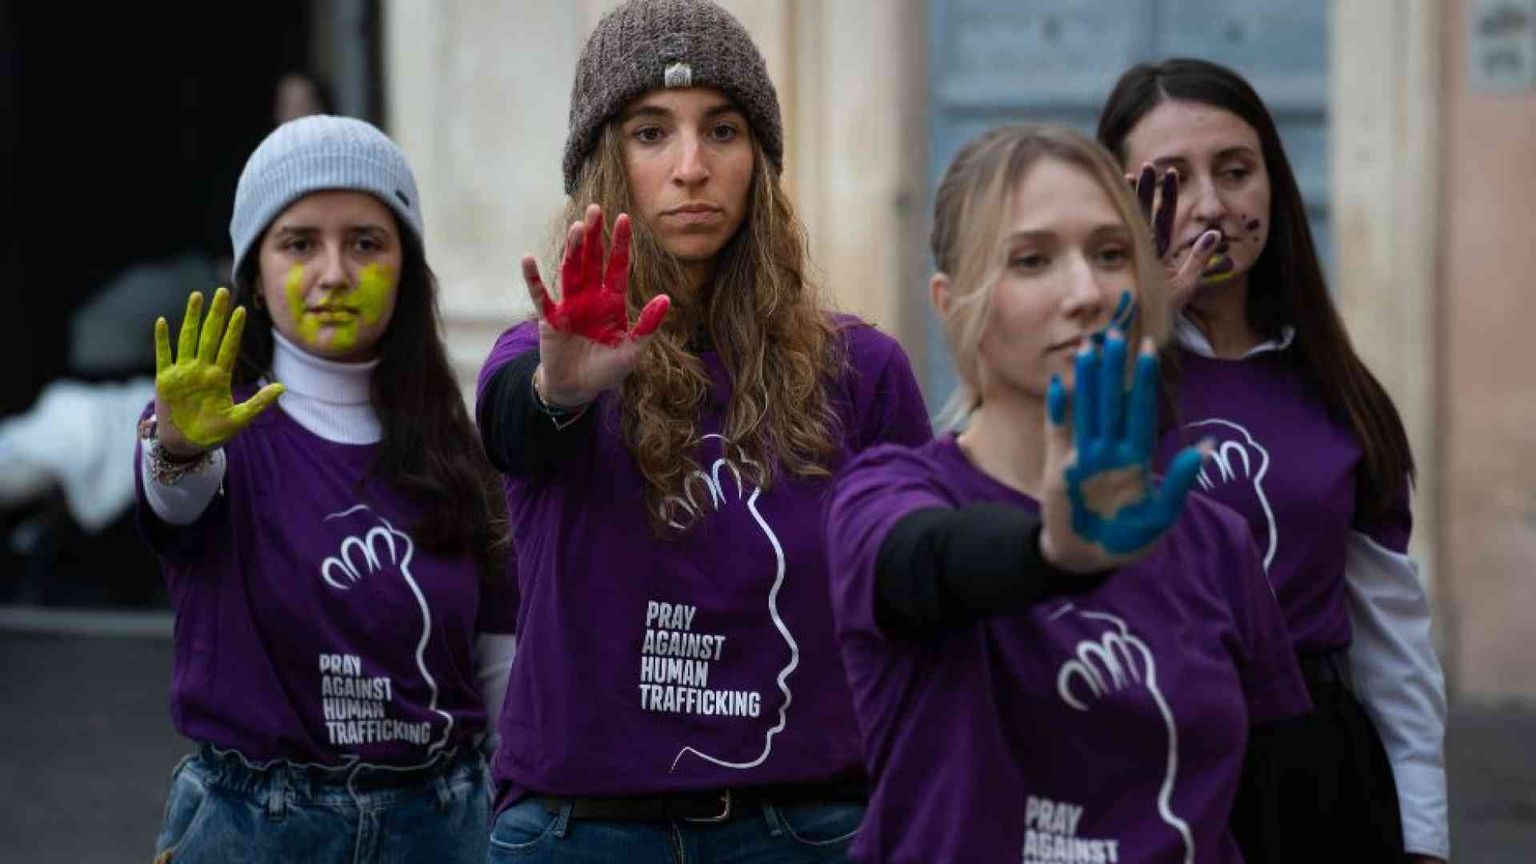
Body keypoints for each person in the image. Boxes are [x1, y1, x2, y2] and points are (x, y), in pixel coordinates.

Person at [473, 1, 931, 860]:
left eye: (722, 130)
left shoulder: (863, 372)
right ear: (606, 162)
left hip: (806, 827)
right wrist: (560, 394)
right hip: (583, 832)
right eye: (651, 134)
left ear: (759, 160)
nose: (691, 167)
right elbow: (516, 426)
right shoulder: (538, 357)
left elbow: (911, 609)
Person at [825, 124, 1312, 863]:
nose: (1085, 293)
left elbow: (1276, 804)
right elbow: (920, 565)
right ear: (952, 303)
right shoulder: (888, 494)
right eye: (1032, 260)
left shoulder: (1213, 540)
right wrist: (1051, 553)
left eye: (1112, 254)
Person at [136, 115, 515, 863]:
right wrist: (176, 447)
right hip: (256, 829)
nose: (335, 273)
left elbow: (498, 663)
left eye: (366, 242)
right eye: (299, 243)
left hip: (444, 823)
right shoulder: (208, 430)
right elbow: (172, 497)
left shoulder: (457, 448)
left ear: (406, 266)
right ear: (254, 268)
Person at [1097, 57, 1449, 862]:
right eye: (1171, 179)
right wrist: (1134, 321)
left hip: (1311, 765)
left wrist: (1424, 833)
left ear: (1274, 184)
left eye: (1236, 171)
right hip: (1139, 756)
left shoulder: (1337, 392)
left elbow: (1393, 642)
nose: (1213, 206)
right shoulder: (1084, 373)